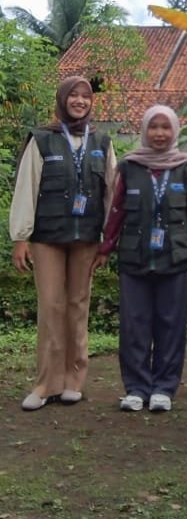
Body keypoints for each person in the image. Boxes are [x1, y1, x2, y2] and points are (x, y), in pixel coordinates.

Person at [10, 76, 117, 411]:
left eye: (86, 96)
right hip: (47, 237)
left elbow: (113, 192)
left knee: (78, 306)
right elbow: (26, 188)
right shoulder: (42, 139)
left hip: (86, 237)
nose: (80, 101)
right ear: (62, 99)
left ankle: (73, 381)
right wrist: (21, 237)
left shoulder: (101, 140)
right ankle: (45, 384)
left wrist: (107, 240)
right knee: (51, 307)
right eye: (74, 95)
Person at [93, 105, 187, 412]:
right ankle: (136, 387)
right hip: (134, 256)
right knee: (134, 324)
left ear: (175, 131)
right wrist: (105, 248)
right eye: (153, 127)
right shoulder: (130, 166)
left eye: (165, 127)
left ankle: (164, 388)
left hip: (175, 256)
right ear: (144, 130)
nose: (159, 133)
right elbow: (117, 211)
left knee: (171, 323)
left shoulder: (186, 165)